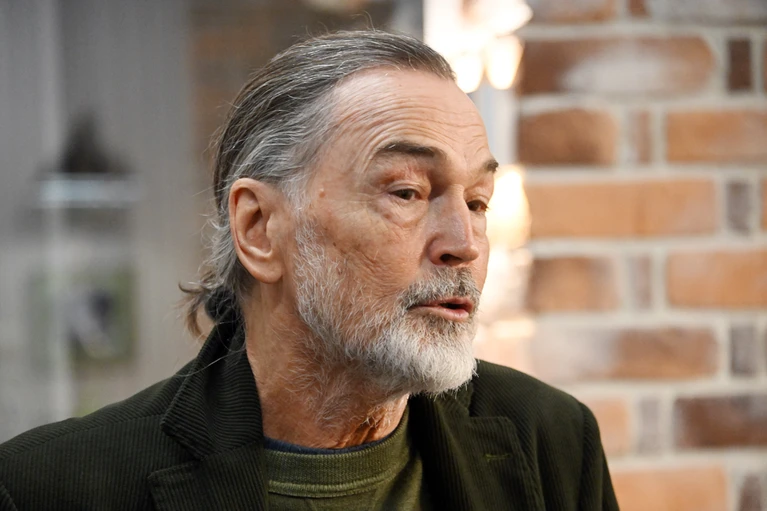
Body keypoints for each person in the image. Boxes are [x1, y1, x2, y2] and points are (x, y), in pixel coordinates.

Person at [0, 30, 619, 510]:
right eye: (406, 192)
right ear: (259, 229)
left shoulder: (550, 439)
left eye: (478, 203)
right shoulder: (50, 487)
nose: (465, 244)